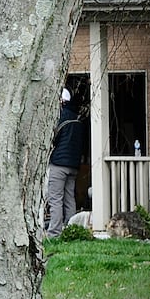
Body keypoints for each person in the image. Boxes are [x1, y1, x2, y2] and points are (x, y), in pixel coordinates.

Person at [46, 88, 84, 238]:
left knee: (55, 199)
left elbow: (52, 139)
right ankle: (71, 229)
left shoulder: (60, 117)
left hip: (58, 164)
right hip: (73, 165)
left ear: (61, 101)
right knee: (69, 199)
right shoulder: (77, 119)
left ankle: (54, 233)